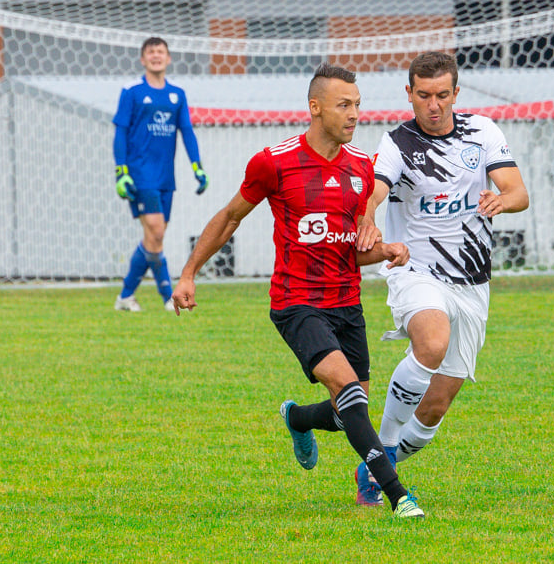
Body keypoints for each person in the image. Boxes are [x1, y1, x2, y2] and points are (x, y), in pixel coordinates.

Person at [170, 63, 425, 519]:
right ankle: (397, 495)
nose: (354, 115)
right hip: (296, 302)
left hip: (347, 302)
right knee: (350, 392)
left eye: (358, 105)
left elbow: (355, 247)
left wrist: (387, 249)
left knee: (351, 409)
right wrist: (189, 272)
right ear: (315, 108)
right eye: (344, 105)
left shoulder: (364, 169)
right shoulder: (274, 161)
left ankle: (297, 418)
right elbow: (230, 217)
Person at [353, 51, 529, 505]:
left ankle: (379, 463)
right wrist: (368, 217)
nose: (434, 105)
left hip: (471, 282)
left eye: (443, 95)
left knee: (434, 409)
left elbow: (518, 192)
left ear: (456, 93)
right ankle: (384, 448)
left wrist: (500, 202)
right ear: (409, 93)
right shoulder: (396, 143)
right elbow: (376, 187)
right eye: (424, 95)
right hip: (415, 269)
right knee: (430, 342)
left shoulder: (483, 131)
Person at [112, 36, 208, 312]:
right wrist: (121, 172)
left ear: (168, 58)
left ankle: (125, 297)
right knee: (155, 230)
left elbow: (187, 131)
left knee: (155, 237)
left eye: (160, 52)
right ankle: (168, 293)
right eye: (151, 52)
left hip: (166, 177)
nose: (156, 56)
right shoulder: (131, 91)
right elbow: (120, 132)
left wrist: (197, 166)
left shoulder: (177, 94)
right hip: (140, 174)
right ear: (143, 59)